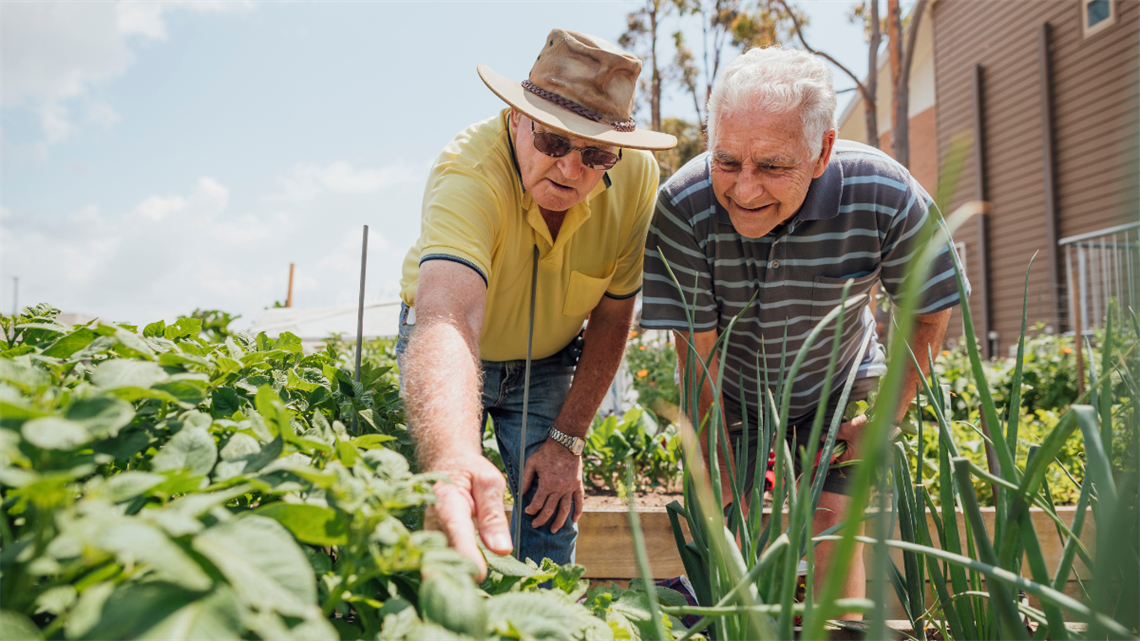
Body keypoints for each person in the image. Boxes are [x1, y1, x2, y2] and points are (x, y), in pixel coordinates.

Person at [641, 46, 967, 615]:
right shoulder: (684, 207)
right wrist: (716, 466)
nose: (744, 191)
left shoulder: (884, 194)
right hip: (734, 389)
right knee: (724, 536)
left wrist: (885, 417)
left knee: (831, 532)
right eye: (728, 161)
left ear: (823, 151)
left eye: (772, 166)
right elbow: (698, 358)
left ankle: (838, 623)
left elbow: (929, 307)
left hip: (841, 382)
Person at [396, 29, 676, 579]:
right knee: (439, 502)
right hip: (456, 351)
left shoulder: (637, 178)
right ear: (516, 118)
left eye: (594, 153)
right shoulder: (469, 174)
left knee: (551, 510)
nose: (571, 170)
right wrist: (454, 456)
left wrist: (567, 441)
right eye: (552, 143)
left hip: (547, 359)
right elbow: (448, 319)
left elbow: (615, 314)